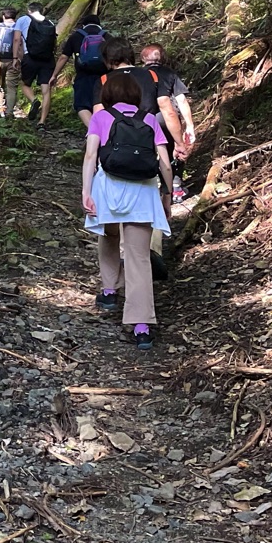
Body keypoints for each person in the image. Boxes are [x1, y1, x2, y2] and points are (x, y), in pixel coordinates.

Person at [82, 70, 172, 347]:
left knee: (108, 235)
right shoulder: (150, 120)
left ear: (108, 96)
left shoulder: (100, 117)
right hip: (143, 194)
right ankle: (141, 325)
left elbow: (90, 155)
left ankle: (109, 290)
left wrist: (86, 191)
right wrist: (166, 197)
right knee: (138, 258)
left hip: (109, 191)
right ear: (136, 95)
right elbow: (165, 163)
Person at [140, 43, 196, 199]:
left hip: (145, 119)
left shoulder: (138, 74)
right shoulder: (169, 73)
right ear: (162, 57)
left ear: (143, 58)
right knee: (175, 150)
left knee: (147, 151)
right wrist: (189, 125)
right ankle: (174, 188)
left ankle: (149, 189)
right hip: (167, 119)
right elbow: (181, 100)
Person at [54, 10, 109, 128]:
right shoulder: (107, 36)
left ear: (84, 25)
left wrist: (54, 75)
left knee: (82, 105)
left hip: (83, 75)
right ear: (99, 24)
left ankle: (93, 130)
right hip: (105, 77)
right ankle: (103, 131)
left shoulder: (76, 36)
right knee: (101, 103)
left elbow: (63, 57)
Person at [18, 0, 58, 126]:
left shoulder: (24, 19)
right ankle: (42, 122)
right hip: (47, 59)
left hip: (30, 57)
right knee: (46, 91)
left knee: (25, 84)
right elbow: (54, 43)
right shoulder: (49, 23)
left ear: (29, 10)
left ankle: (34, 100)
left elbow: (16, 39)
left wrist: (15, 58)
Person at [0, 6, 23, 118]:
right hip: (14, 60)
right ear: (15, 17)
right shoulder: (19, 27)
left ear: (3, 17)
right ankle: (9, 112)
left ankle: (1, 110)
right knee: (12, 87)